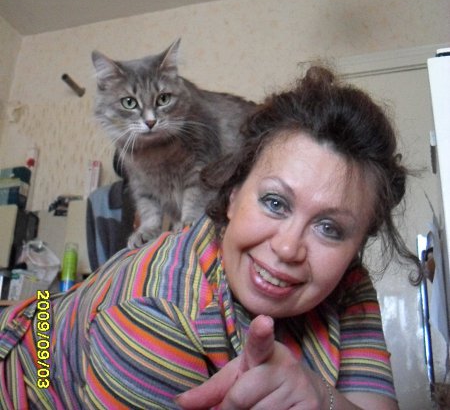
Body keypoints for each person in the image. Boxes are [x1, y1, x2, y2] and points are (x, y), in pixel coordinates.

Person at [0, 66, 420, 410]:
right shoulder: (155, 313)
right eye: (275, 202)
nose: (287, 248)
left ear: (355, 246)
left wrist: (322, 398)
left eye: (330, 228)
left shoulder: (348, 280)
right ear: (233, 195)